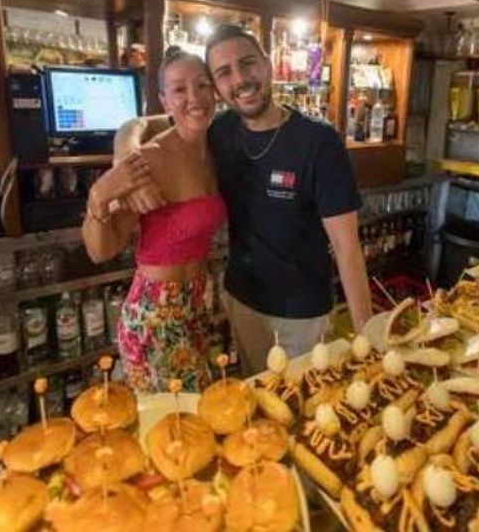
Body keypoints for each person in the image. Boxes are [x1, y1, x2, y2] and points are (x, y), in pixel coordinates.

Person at [116, 24, 372, 374]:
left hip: (302, 314)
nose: (240, 79)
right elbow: (141, 124)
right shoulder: (219, 130)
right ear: (217, 88)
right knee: (256, 400)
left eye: (248, 63)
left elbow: (347, 247)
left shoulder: (319, 142)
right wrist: (125, 155)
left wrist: (367, 335)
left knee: (306, 401)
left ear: (267, 64)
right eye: (224, 72)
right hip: (242, 302)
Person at [81, 46, 225, 392]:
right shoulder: (150, 160)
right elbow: (100, 251)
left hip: (196, 306)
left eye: (202, 85)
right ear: (164, 100)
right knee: (182, 418)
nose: (194, 97)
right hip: (155, 316)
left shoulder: (216, 146)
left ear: (214, 91)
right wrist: (98, 197)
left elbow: (139, 123)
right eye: (179, 89)